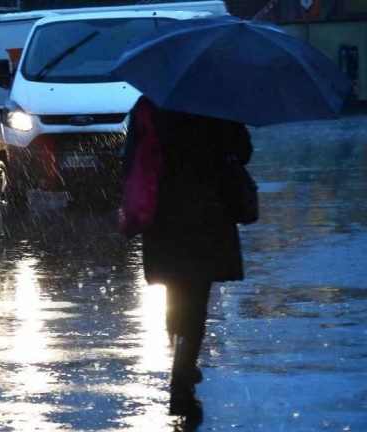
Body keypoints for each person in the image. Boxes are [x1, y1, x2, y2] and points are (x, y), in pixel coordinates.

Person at [124, 97, 253, 420]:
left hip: (164, 215)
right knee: (196, 301)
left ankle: (180, 358)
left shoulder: (147, 107)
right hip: (208, 214)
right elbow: (243, 152)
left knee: (175, 290)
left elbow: (129, 161)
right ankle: (182, 376)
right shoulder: (216, 104)